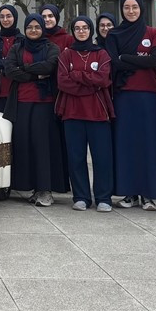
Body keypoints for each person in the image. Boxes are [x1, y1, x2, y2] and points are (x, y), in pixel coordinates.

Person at [104, 0, 156, 211]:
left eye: (135, 7)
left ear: (141, 8)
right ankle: (129, 193)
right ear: (121, 9)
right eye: (126, 7)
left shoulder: (153, 32)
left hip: (150, 97)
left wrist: (126, 58)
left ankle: (149, 194)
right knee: (126, 145)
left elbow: (155, 61)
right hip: (124, 96)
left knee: (149, 144)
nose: (131, 11)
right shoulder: (114, 34)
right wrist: (139, 59)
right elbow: (113, 63)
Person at [4, 15, 69, 207]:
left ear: (43, 28)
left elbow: (50, 66)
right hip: (22, 103)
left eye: (37, 27)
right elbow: (9, 70)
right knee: (25, 145)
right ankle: (33, 188)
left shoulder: (51, 48)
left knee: (43, 147)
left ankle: (45, 190)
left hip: (44, 103)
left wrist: (23, 69)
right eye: (30, 27)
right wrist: (36, 75)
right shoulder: (17, 47)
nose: (33, 30)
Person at [56, 17, 116, 213]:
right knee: (76, 157)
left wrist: (78, 76)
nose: (81, 31)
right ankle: (81, 196)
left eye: (85, 28)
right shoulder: (66, 55)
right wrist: (90, 84)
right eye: (77, 28)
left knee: (102, 158)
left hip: (98, 113)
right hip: (72, 113)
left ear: (91, 30)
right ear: (73, 31)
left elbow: (103, 79)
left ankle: (103, 197)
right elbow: (63, 82)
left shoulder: (102, 54)